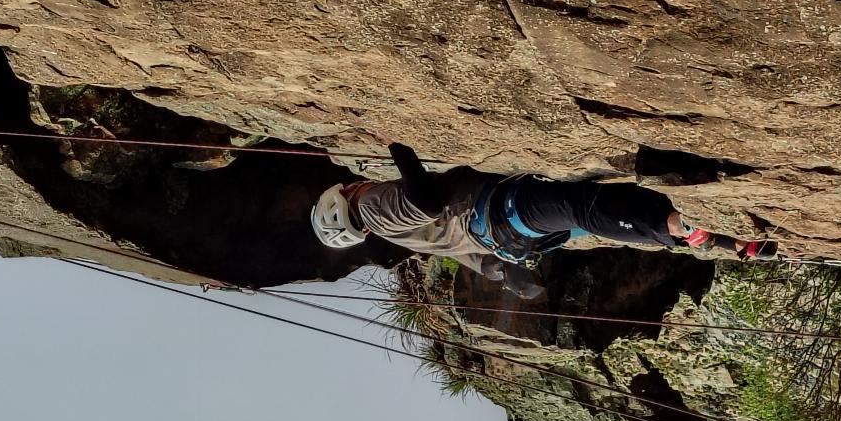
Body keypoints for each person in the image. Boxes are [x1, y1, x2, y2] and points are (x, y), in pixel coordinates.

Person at [310, 143, 778, 297]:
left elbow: (470, 257)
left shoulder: (400, 237)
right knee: (586, 208)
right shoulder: (373, 205)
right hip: (499, 210)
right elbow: (425, 201)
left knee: (590, 216)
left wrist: (513, 278)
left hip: (508, 235)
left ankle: (729, 243)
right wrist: (401, 153)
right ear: (346, 196)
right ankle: (681, 226)